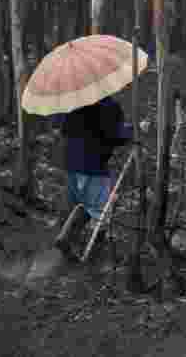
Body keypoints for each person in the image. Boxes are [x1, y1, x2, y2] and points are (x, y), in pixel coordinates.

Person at [53, 95, 133, 257]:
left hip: (71, 161)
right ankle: (84, 247)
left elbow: (59, 124)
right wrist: (130, 130)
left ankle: (69, 239)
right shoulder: (106, 104)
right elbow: (115, 134)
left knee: (80, 202)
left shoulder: (70, 98)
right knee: (100, 210)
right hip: (93, 163)